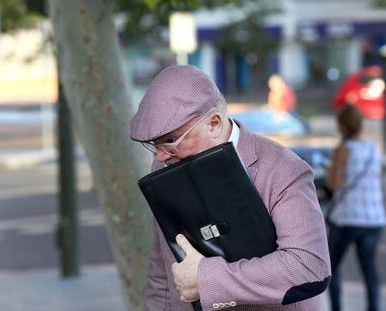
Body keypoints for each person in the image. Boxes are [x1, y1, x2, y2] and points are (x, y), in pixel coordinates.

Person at [130, 65, 331, 310]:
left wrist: (205, 278)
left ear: (214, 123)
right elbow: (162, 266)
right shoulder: (163, 166)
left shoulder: (284, 168)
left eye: (171, 140)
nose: (161, 156)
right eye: (155, 144)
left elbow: (308, 266)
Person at [326, 104, 385, 311]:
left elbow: (334, 185)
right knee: (369, 270)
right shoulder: (373, 150)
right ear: (360, 125)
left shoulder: (342, 150)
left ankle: (336, 308)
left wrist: (333, 166)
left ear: (341, 126)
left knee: (331, 267)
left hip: (346, 219)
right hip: (374, 219)